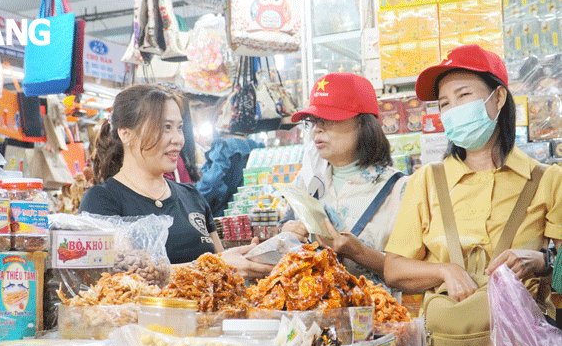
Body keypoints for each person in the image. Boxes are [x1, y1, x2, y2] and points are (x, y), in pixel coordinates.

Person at [384, 44, 562, 322]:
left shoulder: (547, 179)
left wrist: (542, 262)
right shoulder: (426, 180)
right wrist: (445, 270)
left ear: (499, 97)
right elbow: (393, 269)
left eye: (464, 95)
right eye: (445, 103)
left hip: (523, 344)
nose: (454, 110)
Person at [80, 84, 273, 279]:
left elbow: (221, 268)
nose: (178, 139)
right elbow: (125, 277)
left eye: (179, 128)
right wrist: (215, 267)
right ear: (126, 133)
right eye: (165, 127)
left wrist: (247, 260)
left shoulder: (191, 196)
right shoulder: (101, 201)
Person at [280, 72, 408, 285]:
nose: (317, 129)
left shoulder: (400, 190)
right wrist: (287, 234)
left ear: (364, 123)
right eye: (313, 121)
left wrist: (358, 252)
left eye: (329, 119)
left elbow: (415, 273)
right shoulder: (306, 183)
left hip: (379, 313)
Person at [196, 131, 264, 217]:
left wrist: (191, 196)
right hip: (252, 212)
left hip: (224, 217)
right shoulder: (255, 147)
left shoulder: (224, 147)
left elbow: (210, 183)